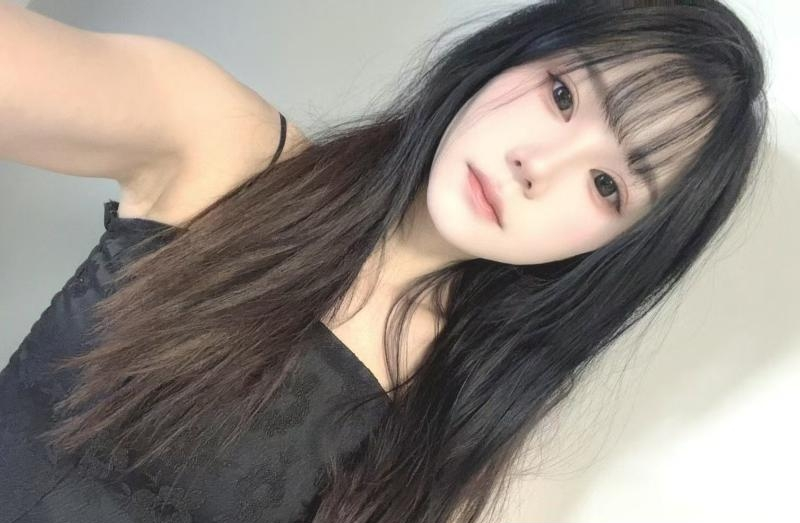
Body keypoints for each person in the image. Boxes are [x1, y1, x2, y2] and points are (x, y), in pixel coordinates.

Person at [0, 1, 768, 522]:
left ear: (617, 250)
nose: (538, 165)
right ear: (511, 55)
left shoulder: (463, 436)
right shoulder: (224, 147)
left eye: (606, 185)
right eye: (563, 95)